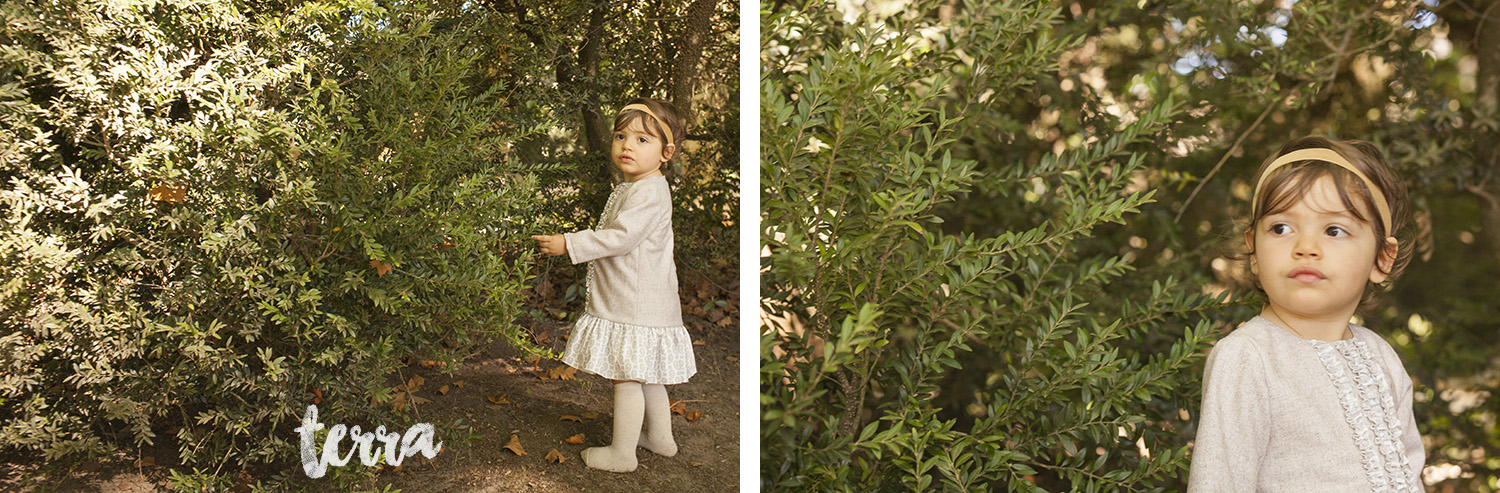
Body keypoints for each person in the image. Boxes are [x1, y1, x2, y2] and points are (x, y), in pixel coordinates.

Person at [1188, 136, 1423, 491]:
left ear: (1381, 259)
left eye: (1334, 230)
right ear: (1253, 250)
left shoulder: (1381, 356)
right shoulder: (1249, 357)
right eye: (1281, 228)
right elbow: (1219, 482)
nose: (1306, 247)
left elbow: (1410, 475)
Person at [531, 98, 696, 473]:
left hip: (636, 302)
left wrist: (569, 243)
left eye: (642, 140)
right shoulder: (637, 187)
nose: (627, 145)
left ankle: (623, 454)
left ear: (666, 152)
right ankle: (660, 439)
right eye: (621, 136)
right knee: (646, 373)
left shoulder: (649, 191)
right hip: (641, 298)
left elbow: (620, 238)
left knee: (628, 374)